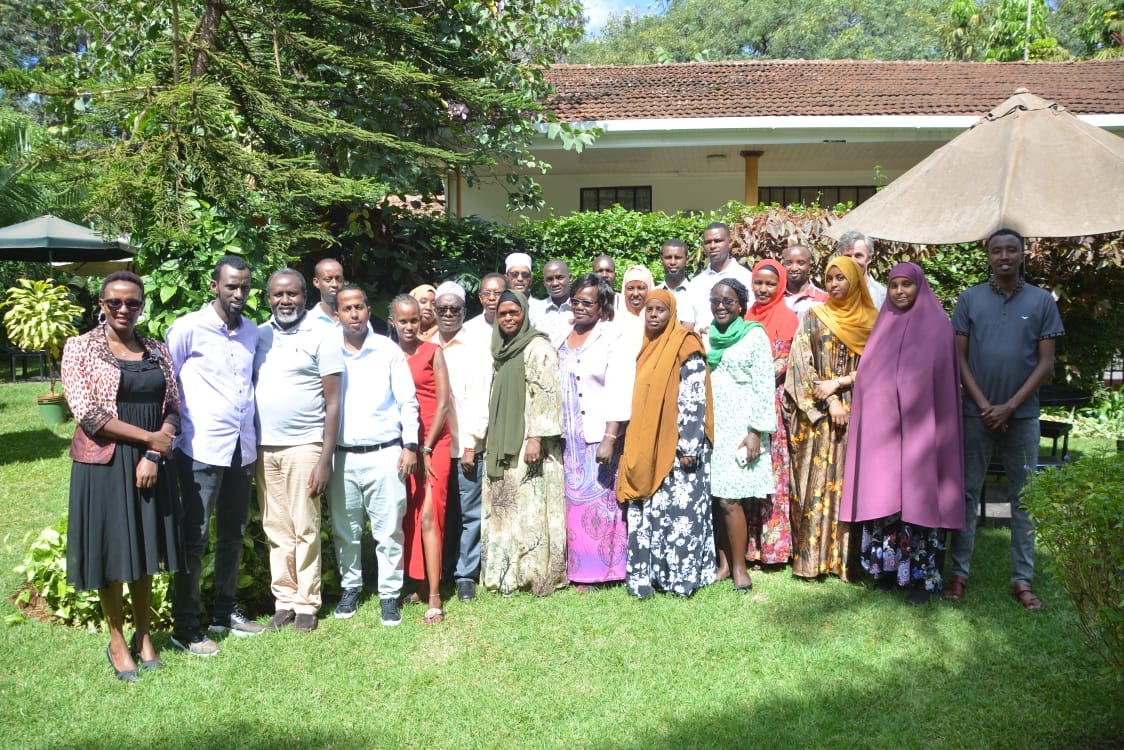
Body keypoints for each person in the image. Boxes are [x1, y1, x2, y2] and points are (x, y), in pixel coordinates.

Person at [62, 271, 182, 681]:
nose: (124, 309)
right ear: (101, 304)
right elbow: (90, 415)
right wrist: (150, 437)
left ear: (142, 305)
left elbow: (173, 406)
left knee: (145, 550)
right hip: (104, 464)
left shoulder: (156, 349)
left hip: (150, 464)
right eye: (115, 302)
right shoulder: (80, 349)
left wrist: (152, 451)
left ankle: (144, 635)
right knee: (112, 551)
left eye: (132, 303)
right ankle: (116, 640)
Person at [945, 229, 1065, 611]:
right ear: (989, 256)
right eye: (997, 250)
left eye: (1011, 249)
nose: (1004, 256)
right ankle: (959, 574)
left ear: (1022, 254)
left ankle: (1022, 580)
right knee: (966, 494)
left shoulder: (1042, 300)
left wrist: (1010, 406)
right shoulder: (970, 299)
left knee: (1023, 498)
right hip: (975, 416)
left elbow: (1046, 363)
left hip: (1023, 417)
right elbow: (959, 359)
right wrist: (984, 405)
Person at [840, 263, 965, 605]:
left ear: (919, 287)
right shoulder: (884, 326)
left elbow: (939, 384)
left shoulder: (938, 327)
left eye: (906, 285)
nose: (899, 292)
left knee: (920, 503)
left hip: (923, 434)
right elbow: (869, 377)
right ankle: (886, 573)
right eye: (894, 285)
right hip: (886, 434)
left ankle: (923, 581)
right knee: (886, 502)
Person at [167, 255, 261, 659]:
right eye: (231, 286)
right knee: (195, 538)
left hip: (242, 450)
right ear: (214, 286)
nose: (238, 294)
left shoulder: (252, 332)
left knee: (232, 535)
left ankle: (225, 613)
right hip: (201, 450)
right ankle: (185, 627)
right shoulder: (188, 328)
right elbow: (167, 384)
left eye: (244, 287)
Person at [254, 269, 343, 632]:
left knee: (306, 526)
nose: (285, 301)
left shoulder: (323, 334)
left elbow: (334, 402)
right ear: (268, 297)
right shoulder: (258, 335)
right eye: (278, 294)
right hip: (264, 448)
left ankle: (307, 602)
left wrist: (325, 458)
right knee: (276, 528)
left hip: (305, 445)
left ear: (305, 296)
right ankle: (284, 601)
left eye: (292, 294)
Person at [328, 285, 420, 626]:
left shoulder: (387, 350)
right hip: (343, 457)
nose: (354, 314)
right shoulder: (328, 352)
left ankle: (388, 594)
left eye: (359, 307)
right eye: (346, 309)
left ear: (369, 310)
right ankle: (350, 588)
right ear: (337, 314)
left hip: (385, 454)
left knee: (389, 531)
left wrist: (409, 445)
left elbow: (407, 401)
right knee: (345, 530)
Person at [617, 289, 716, 598]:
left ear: (672, 312)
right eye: (650, 309)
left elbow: (693, 397)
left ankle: (681, 579)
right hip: (648, 443)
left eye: (660, 309)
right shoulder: (645, 345)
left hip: (679, 447)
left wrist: (688, 445)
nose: (654, 315)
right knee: (650, 512)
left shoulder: (686, 344)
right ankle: (648, 577)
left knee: (680, 515)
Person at [784, 256, 877, 580]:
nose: (835, 284)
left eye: (841, 278)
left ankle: (847, 563)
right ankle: (812, 562)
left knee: (852, 486)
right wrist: (831, 401)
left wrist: (842, 382)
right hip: (821, 417)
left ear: (855, 280)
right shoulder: (813, 316)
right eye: (830, 278)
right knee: (817, 485)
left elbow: (881, 367)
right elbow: (800, 363)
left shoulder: (874, 321)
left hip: (862, 413)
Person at [481, 290, 567, 596]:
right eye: (502, 314)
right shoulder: (499, 349)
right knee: (506, 509)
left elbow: (546, 394)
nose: (507, 318)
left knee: (530, 510)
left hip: (529, 445)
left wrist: (536, 437)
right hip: (503, 442)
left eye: (513, 313)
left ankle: (534, 572)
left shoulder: (538, 347)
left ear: (525, 313)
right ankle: (506, 574)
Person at [559, 274, 631, 590]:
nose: (579, 307)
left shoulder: (612, 336)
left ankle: (605, 571)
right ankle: (578, 567)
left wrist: (610, 437)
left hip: (597, 435)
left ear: (601, 306)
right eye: (575, 300)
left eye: (587, 302)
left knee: (602, 505)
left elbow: (620, 388)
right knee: (574, 507)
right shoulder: (561, 332)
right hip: (568, 435)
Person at [707, 279, 777, 592]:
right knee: (714, 497)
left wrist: (754, 433)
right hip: (713, 425)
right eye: (715, 301)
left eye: (728, 301)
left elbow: (765, 385)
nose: (721, 306)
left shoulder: (753, 336)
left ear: (740, 305)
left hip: (741, 426)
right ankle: (722, 564)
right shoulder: (708, 337)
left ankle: (739, 568)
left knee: (729, 498)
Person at [391, 294, 452, 623]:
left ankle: (434, 594)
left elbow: (443, 404)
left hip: (433, 444)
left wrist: (426, 448)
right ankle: (414, 583)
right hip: (403, 446)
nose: (410, 326)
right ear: (393, 322)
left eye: (415, 320)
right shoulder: (387, 354)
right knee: (409, 515)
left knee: (429, 515)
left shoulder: (433, 352)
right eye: (404, 321)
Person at [434, 281, 493, 602]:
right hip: (436, 448)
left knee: (470, 514)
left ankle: (465, 575)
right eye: (441, 308)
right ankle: (441, 569)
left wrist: (472, 443)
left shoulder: (475, 347)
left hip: (465, 447)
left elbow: (481, 398)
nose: (447, 314)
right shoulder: (427, 343)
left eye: (454, 309)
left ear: (463, 311)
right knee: (442, 513)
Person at [744, 259, 800, 565]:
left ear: (779, 286)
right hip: (745, 402)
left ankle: (774, 548)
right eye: (759, 283)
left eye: (770, 284)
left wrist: (750, 376)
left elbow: (781, 363)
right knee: (749, 468)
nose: (763, 289)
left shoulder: (786, 316)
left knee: (773, 470)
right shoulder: (747, 315)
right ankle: (749, 546)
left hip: (772, 404)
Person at [688, 222, 753, 331]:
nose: (712, 246)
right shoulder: (695, 284)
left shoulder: (746, 278)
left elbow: (750, 318)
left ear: (730, 242)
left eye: (718, 241)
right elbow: (688, 324)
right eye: (708, 242)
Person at [835, 230, 886, 308]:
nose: (852, 261)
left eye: (858, 255)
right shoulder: (834, 295)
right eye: (847, 256)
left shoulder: (883, 298)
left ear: (869, 259)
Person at [530, 259, 573, 347]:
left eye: (560, 277)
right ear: (544, 283)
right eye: (549, 279)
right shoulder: (535, 311)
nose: (555, 283)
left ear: (570, 278)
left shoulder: (581, 308)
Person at [655, 238, 694, 329]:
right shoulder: (654, 292)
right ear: (661, 260)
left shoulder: (696, 292)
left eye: (678, 258)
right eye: (668, 257)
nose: (672, 262)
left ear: (687, 260)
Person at [781, 244, 828, 319]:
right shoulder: (775, 297)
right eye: (789, 263)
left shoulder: (824, 299)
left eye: (801, 263)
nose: (794, 268)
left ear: (810, 266)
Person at [617, 264, 654, 353]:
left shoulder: (656, 319)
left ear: (649, 289)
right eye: (630, 288)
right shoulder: (615, 320)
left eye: (641, 288)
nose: (636, 294)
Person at [463, 272, 507, 346]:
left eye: (497, 293)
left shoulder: (516, 327)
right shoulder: (468, 329)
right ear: (480, 298)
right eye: (486, 293)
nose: (492, 298)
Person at [310, 258, 345, 327]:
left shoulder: (356, 319)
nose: (334, 284)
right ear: (316, 282)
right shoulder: (308, 321)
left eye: (338, 279)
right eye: (328, 280)